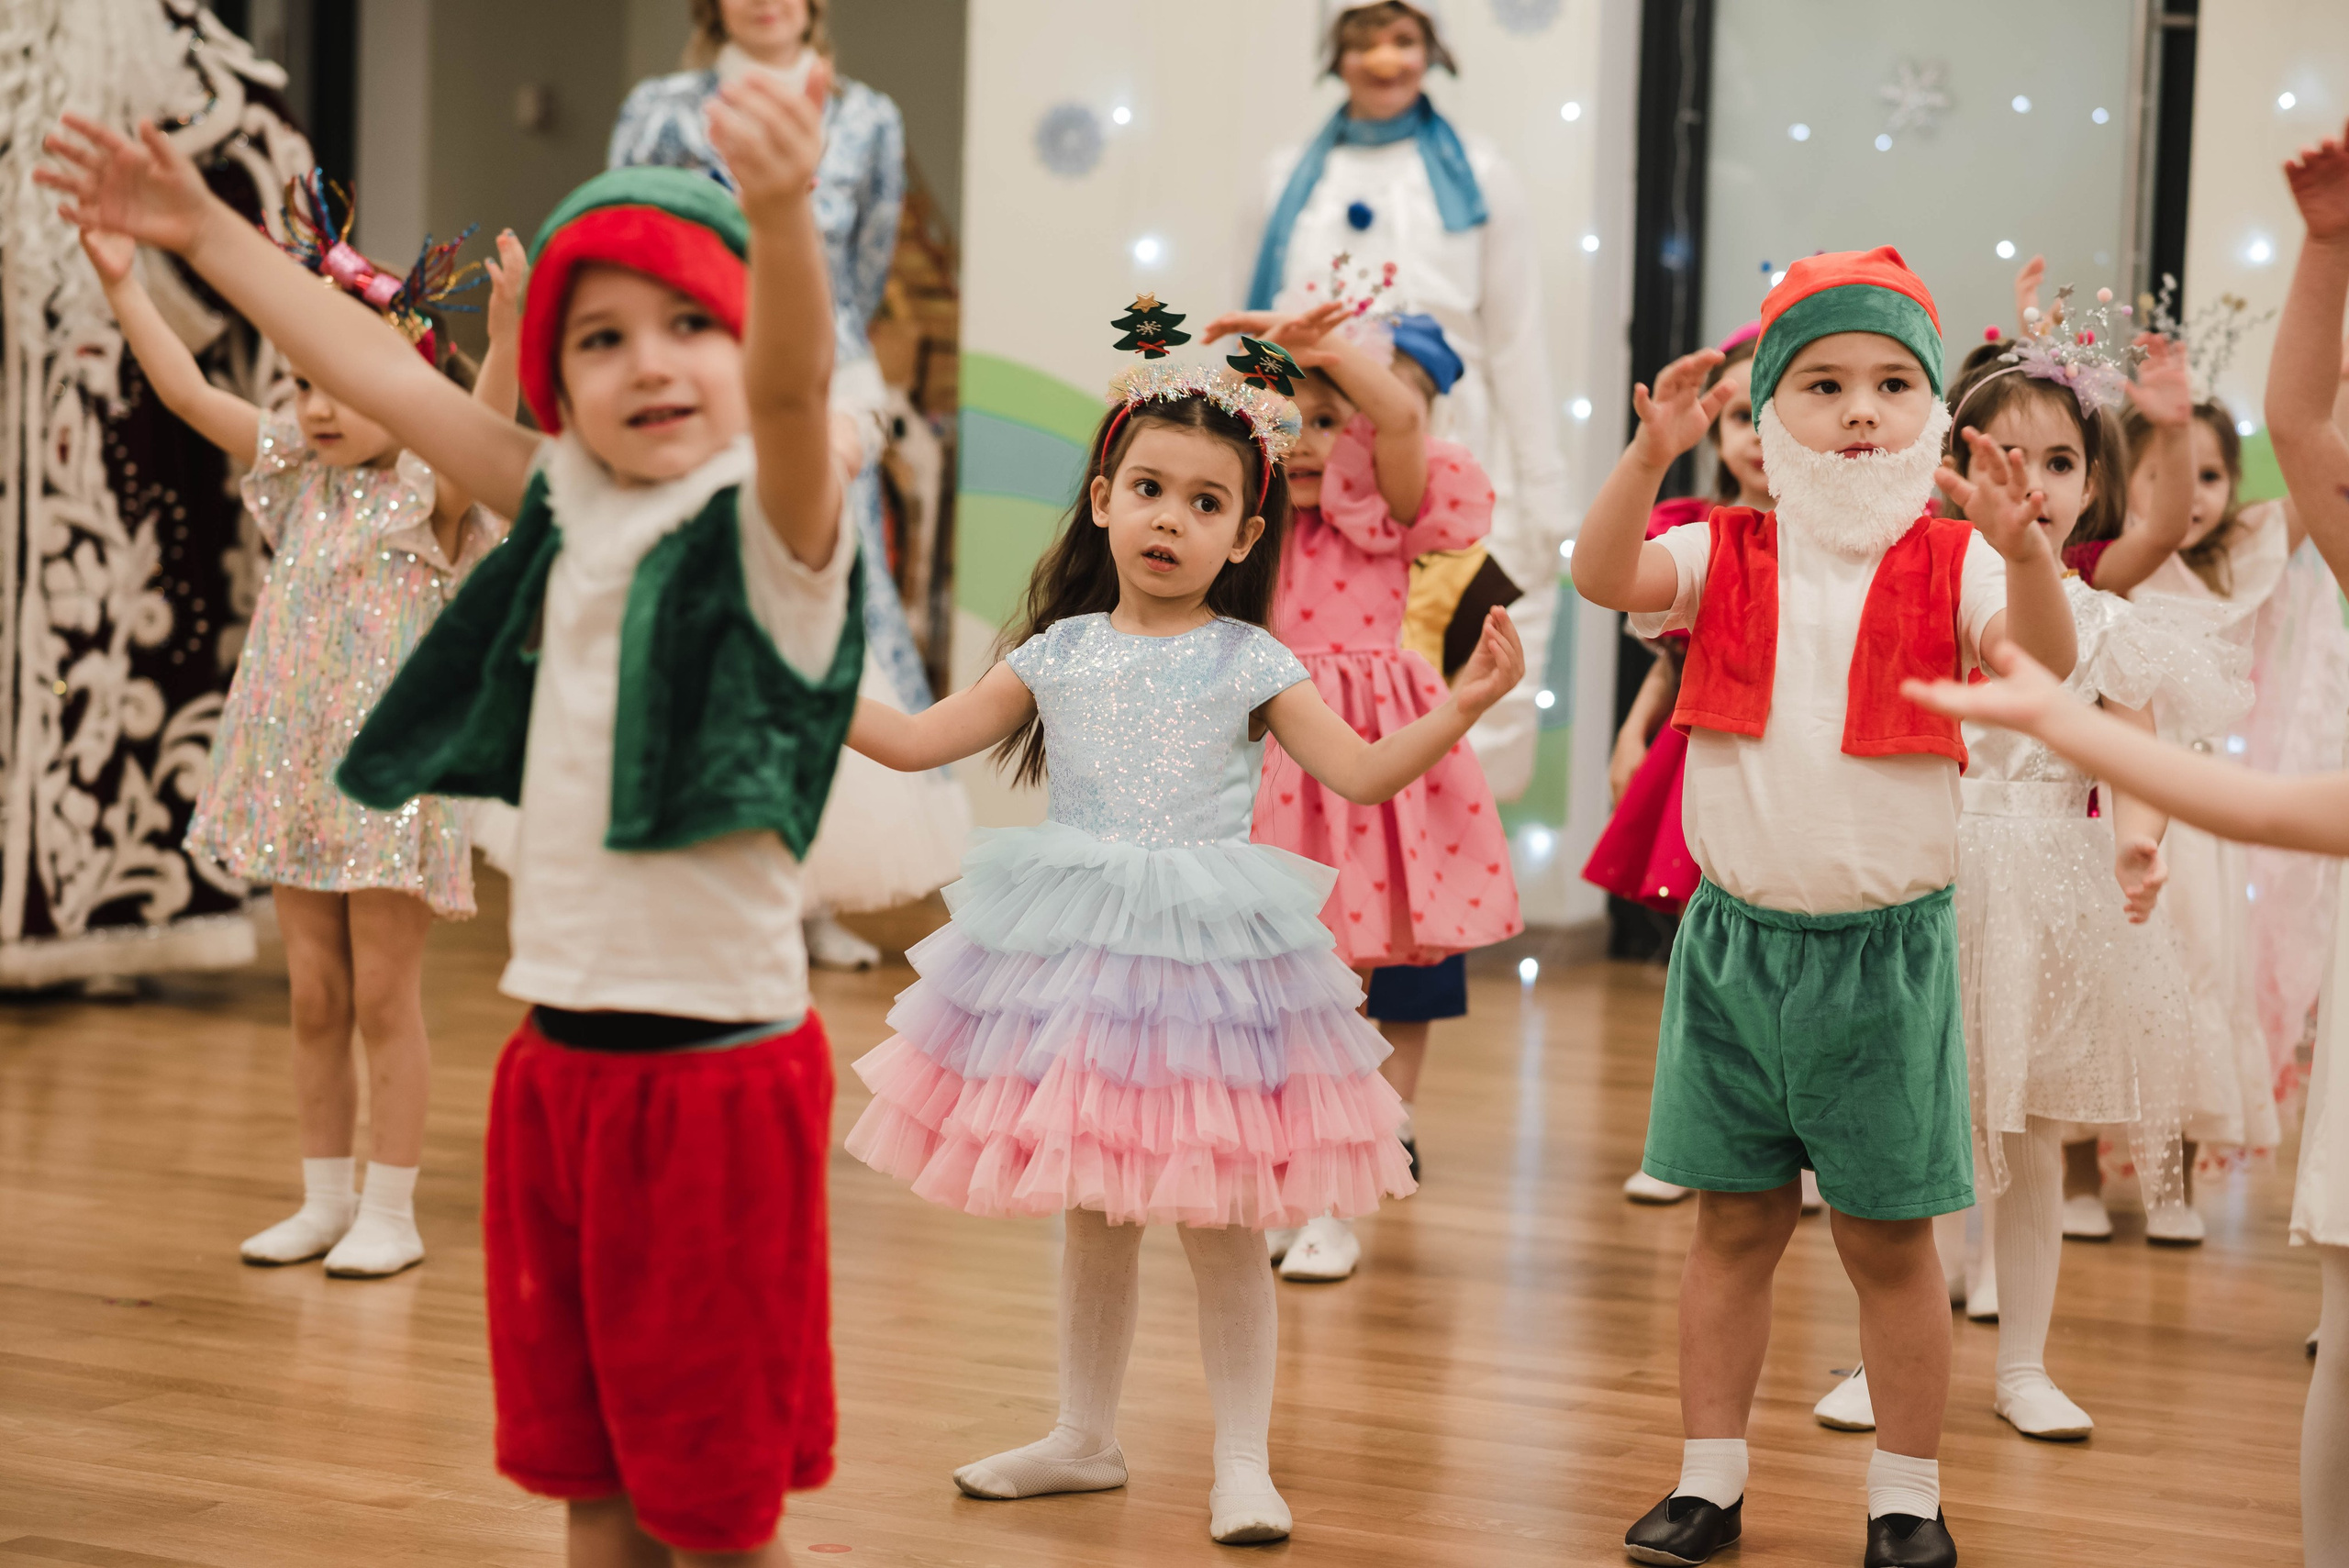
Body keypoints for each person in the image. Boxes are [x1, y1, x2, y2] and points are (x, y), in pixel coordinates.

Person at [43, 61, 859, 1564]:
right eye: (601, 336)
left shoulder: (778, 529)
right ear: (558, 379)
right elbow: (394, 378)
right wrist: (206, 237)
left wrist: (790, 212)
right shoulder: (560, 501)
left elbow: (801, 388)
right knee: (586, 1477)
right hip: (559, 1070)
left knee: (716, 1505)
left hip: (718, 1083)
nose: (648, 360)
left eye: (691, 324)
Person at [840, 317, 1525, 1545]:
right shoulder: (1057, 651)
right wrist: (794, 674)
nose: (1169, 517)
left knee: (1224, 1221)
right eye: (1148, 488)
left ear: (1246, 535)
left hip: (1215, 963)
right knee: (1093, 1209)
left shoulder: (1250, 658)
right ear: (1102, 498)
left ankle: (1243, 1460)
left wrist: (1463, 704)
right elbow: (909, 739)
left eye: (1204, 501)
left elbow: (1365, 775)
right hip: (1077, 957)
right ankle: (1083, 1434)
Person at [1571, 245, 2078, 1568]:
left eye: (1894, 384)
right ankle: (1708, 1479)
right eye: (1823, 385)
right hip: (1733, 952)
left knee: (1890, 1242)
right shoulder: (1716, 548)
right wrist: (1648, 460)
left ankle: (1906, 1493)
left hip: (1885, 962)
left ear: (1931, 418)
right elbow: (1597, 576)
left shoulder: (1961, 561)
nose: (1861, 410)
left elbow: (2048, 657)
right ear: (1763, 422)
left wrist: (2026, 556)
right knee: (1730, 1225)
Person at [1812, 317, 2247, 1443]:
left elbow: (2133, 742)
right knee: (1915, 1135)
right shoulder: (1918, 596)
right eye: (2003, 460)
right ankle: (1881, 1362)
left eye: (2057, 463)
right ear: (1948, 469)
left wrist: (2139, 838)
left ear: (2090, 481)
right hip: (1927, 886)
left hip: (2050, 892)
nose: (2033, 486)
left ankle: (2022, 1362)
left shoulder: (2099, 618)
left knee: (2035, 1141)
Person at [78, 179, 516, 1278]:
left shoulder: (429, 487)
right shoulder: (294, 475)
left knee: (382, 994)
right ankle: (323, 1195)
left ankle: (392, 1205)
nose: (316, 406)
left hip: (389, 778)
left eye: (341, 386)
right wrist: (128, 285)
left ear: (408, 386)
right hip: (288, 768)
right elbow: (184, 392)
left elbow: (484, 433)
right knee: (313, 992)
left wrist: (504, 342)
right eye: (301, 382)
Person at [612, 0, 965, 971]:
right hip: (696, 382)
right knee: (714, 606)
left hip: (825, 377)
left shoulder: (871, 116)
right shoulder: (662, 107)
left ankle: (817, 889)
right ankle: (703, 868)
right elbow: (623, 240)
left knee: (825, 606)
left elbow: (861, 266)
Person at [1195, 295, 1518, 1282]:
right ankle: (1289, 1186)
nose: (1305, 441)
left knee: (1354, 990)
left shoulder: (1387, 512)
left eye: (1332, 420)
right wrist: (1258, 357)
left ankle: (1340, 1199)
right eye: (1288, 418)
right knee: (1270, 994)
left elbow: (1406, 419)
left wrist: (1328, 347)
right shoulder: (1251, 526)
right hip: (1268, 753)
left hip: (1363, 761)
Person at [1246, 1, 1567, 804]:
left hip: (1449, 458)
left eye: (1402, 41)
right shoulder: (1286, 176)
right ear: (1336, 55)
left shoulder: (1484, 174)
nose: (1384, 61)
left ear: (1433, 50)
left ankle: (1442, 911)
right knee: (1318, 683)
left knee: (1458, 675)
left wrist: (1540, 491)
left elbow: (1516, 338)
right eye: (1363, 43)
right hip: (1315, 470)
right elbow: (1249, 332)